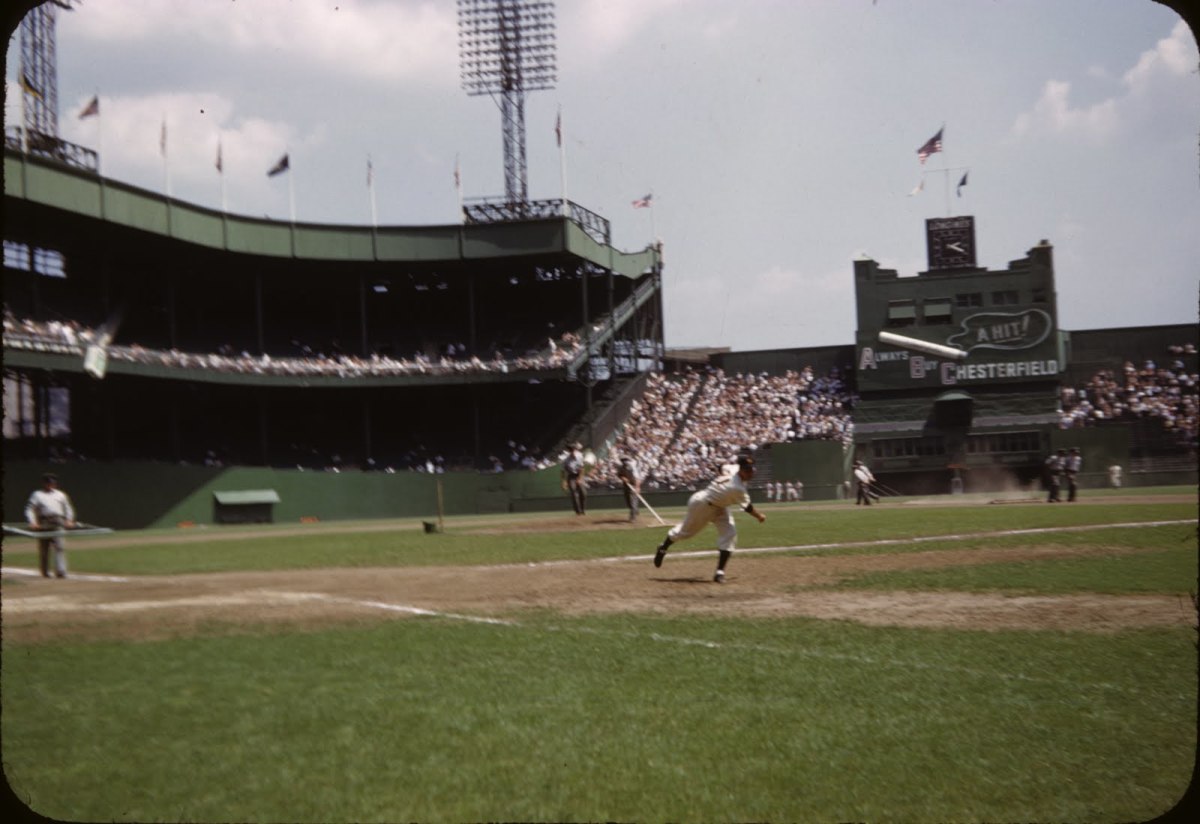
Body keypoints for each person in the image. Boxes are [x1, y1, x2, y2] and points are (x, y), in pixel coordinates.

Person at [652, 454, 767, 583]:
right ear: (741, 470)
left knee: (730, 533)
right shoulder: (737, 488)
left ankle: (719, 573)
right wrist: (759, 516)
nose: (750, 472)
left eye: (751, 469)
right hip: (703, 504)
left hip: (720, 506)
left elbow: (722, 466)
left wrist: (723, 472)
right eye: (747, 470)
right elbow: (748, 508)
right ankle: (663, 547)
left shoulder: (734, 468)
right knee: (685, 533)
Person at [24, 472, 76, 579]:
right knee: (44, 549)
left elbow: (68, 508)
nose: (50, 485)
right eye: (48, 483)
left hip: (58, 521)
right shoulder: (37, 494)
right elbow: (29, 509)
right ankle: (45, 572)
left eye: (52, 483)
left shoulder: (61, 494)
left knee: (60, 547)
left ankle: (61, 571)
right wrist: (32, 522)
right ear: (44, 483)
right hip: (44, 522)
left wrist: (69, 520)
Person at [561, 442, 588, 516]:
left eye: (574, 449)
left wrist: (579, 479)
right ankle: (578, 512)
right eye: (571, 450)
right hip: (571, 476)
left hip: (579, 475)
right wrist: (564, 482)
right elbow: (563, 471)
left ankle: (583, 510)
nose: (573, 451)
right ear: (569, 451)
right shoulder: (566, 460)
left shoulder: (579, 456)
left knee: (583, 493)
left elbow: (582, 469)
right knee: (574, 493)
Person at [615, 455, 641, 521]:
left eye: (626, 461)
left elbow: (637, 478)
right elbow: (619, 474)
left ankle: (633, 516)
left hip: (634, 482)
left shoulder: (633, 467)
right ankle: (635, 510)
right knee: (627, 500)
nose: (625, 462)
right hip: (626, 484)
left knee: (633, 500)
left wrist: (637, 487)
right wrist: (622, 478)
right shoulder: (621, 467)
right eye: (623, 461)